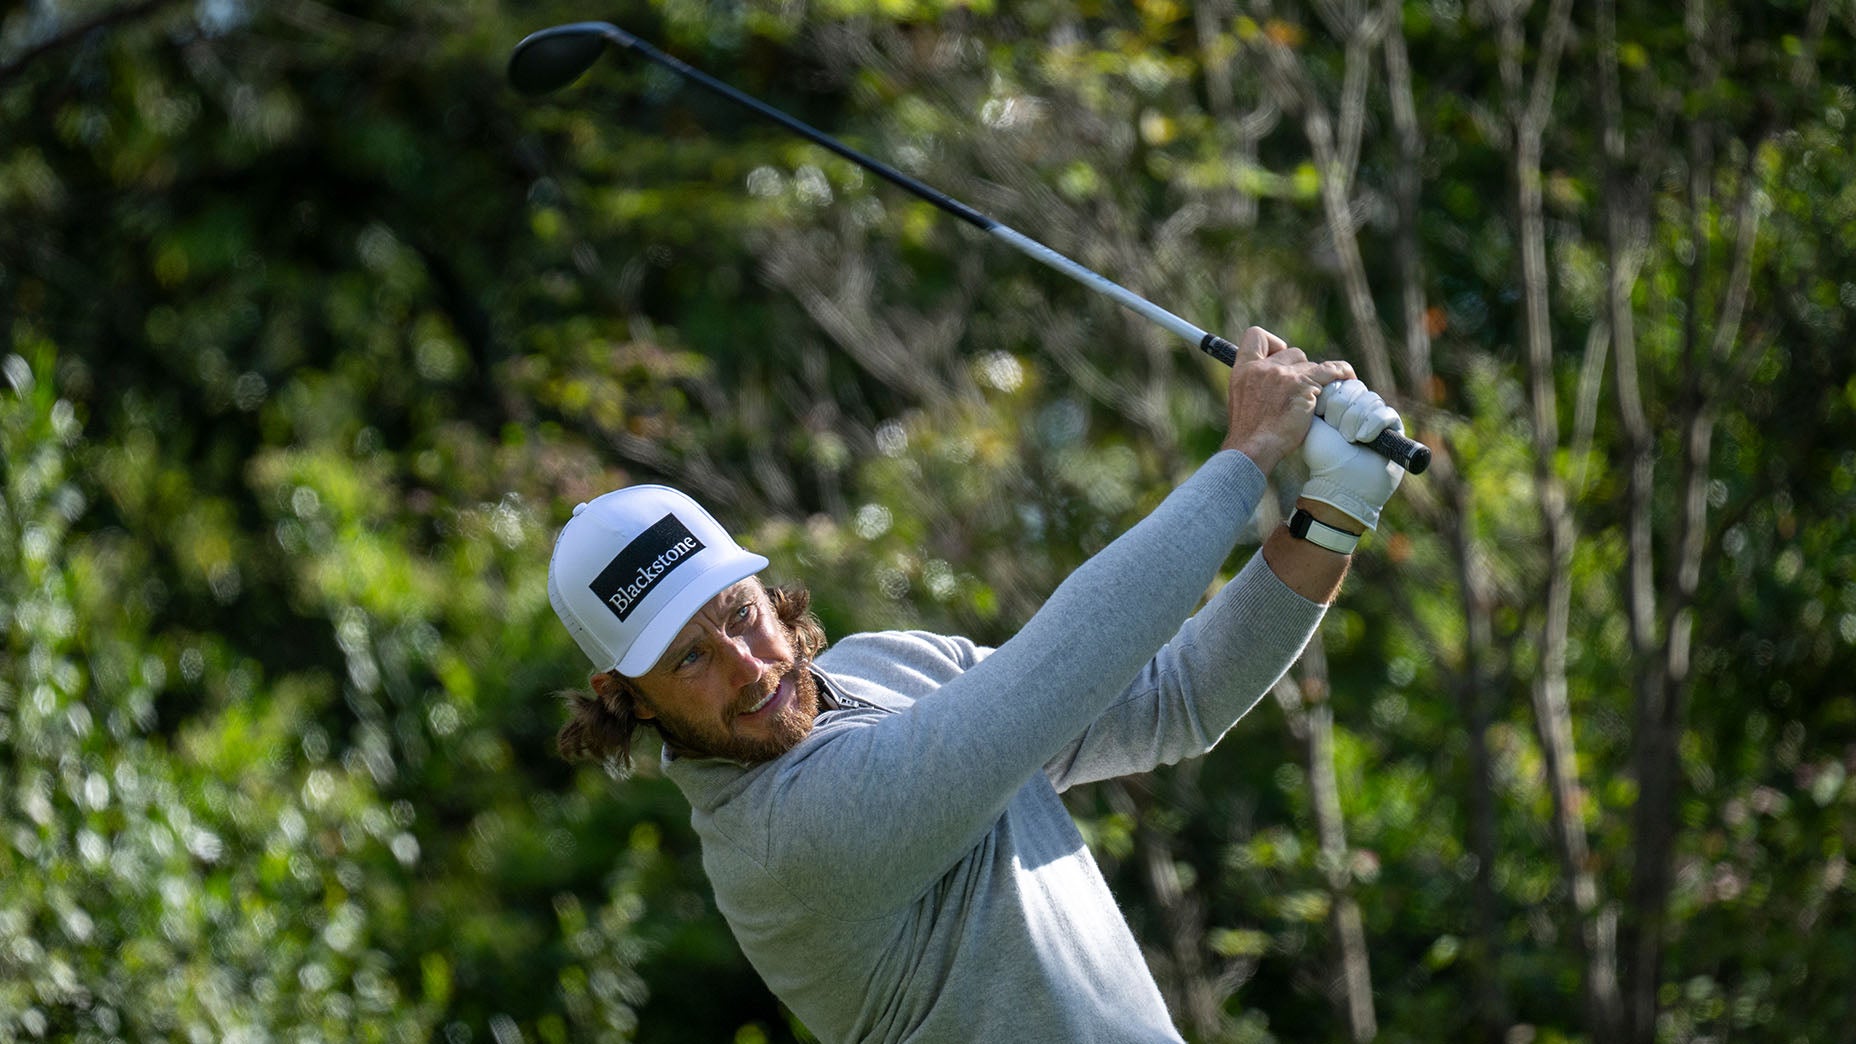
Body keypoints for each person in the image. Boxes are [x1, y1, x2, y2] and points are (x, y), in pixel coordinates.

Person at [545, 327, 1407, 1043]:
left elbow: (1177, 697)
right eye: (688, 660)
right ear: (628, 698)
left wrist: (1337, 508)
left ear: (767, 595)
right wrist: (1249, 453)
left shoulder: (886, 665)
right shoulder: (781, 843)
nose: (747, 666)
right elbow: (1057, 671)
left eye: (738, 615)